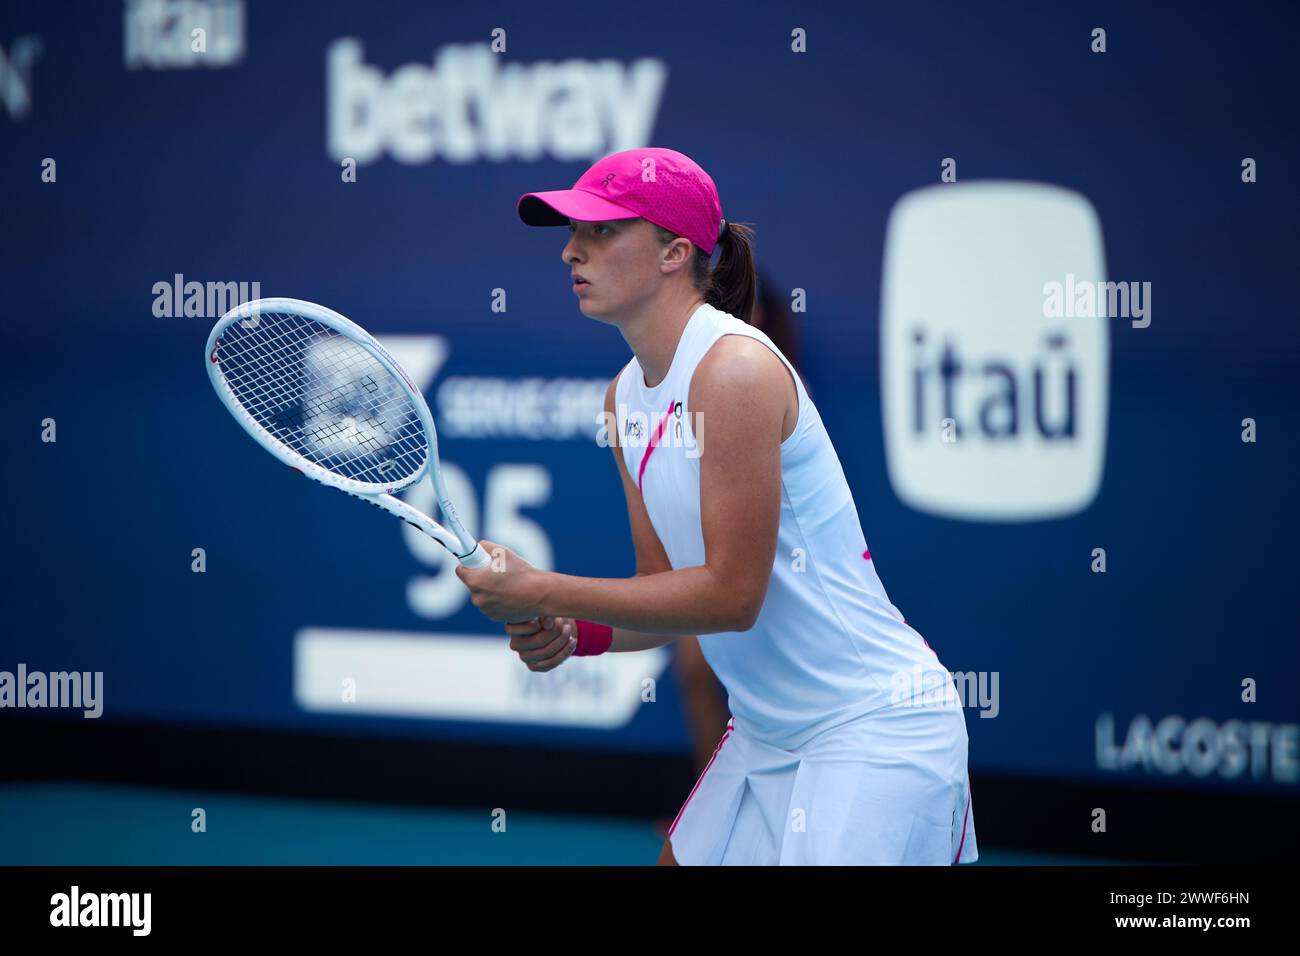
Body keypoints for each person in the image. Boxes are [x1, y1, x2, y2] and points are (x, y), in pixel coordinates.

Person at [456, 147, 977, 866]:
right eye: (573, 232)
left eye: (603, 231)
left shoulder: (734, 371)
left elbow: (732, 597)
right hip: (767, 732)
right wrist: (580, 633)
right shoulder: (624, 397)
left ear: (675, 253)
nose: (572, 250)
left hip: (873, 731)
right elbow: (661, 591)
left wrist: (540, 586)